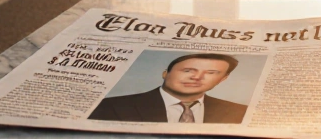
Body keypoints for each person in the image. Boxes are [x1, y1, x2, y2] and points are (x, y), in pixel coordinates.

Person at [88, 53, 248, 124]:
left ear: (223, 79)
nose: (197, 77)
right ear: (165, 73)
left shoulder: (242, 112)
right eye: (188, 71)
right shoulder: (110, 106)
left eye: (211, 73)